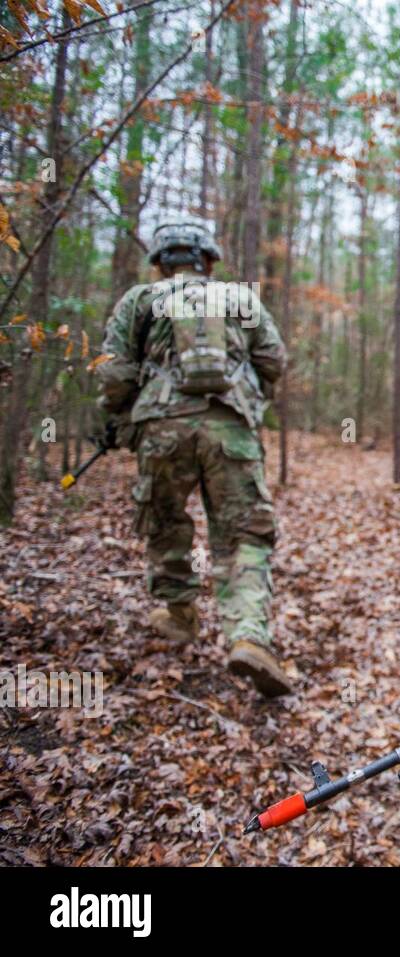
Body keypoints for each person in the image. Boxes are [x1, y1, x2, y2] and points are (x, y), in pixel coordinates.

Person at [96, 220, 292, 697]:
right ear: (207, 259)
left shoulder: (140, 300)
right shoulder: (240, 299)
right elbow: (274, 359)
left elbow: (115, 372)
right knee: (244, 532)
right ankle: (247, 636)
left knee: (165, 519)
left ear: (161, 262)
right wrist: (249, 400)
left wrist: (122, 418)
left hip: (162, 428)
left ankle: (179, 614)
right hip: (230, 428)